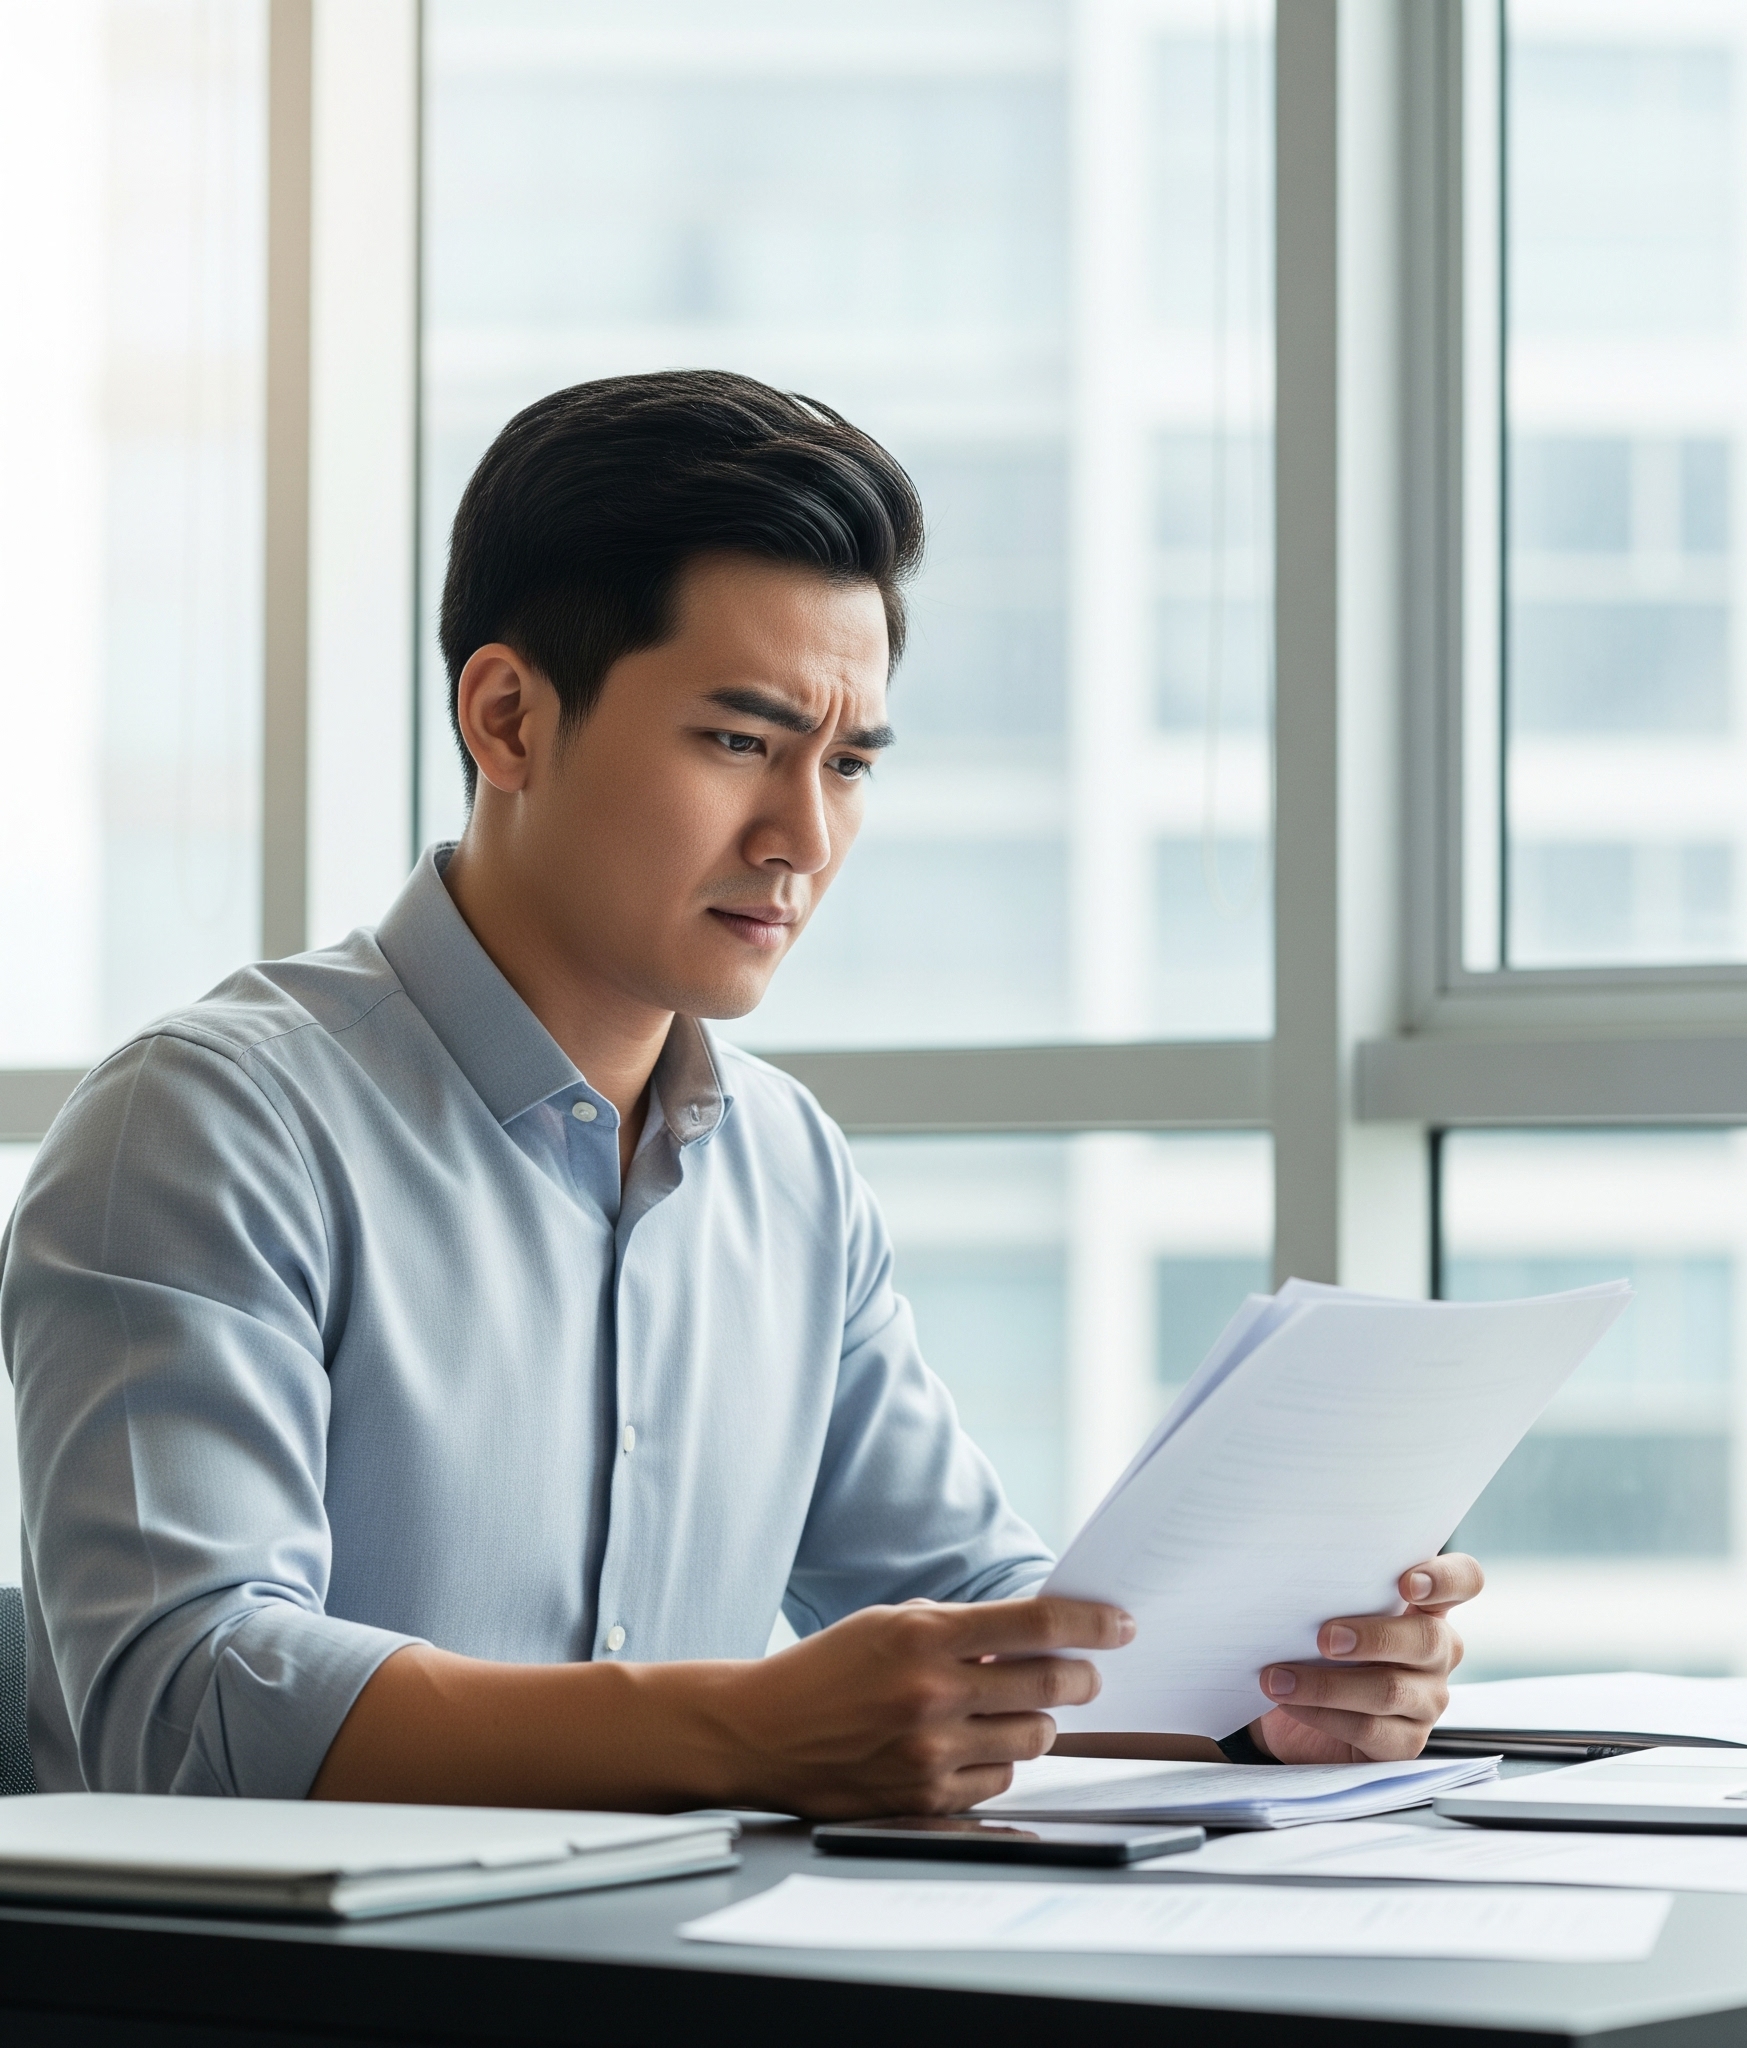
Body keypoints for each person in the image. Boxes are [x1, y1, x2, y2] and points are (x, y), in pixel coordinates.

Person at [0, 370, 1482, 1813]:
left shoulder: (786, 1167)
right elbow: (180, 1702)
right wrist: (739, 1732)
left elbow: (975, 1614)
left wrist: (1263, 1698)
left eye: (849, 765)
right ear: (507, 719)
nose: (802, 837)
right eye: (741, 742)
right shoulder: (204, 1129)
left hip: (695, 1944)